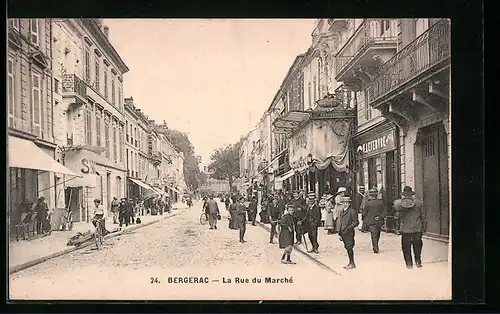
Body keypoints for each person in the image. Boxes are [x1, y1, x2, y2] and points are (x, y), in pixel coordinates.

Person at [393, 186, 427, 269]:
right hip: (417, 228)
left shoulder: (400, 204)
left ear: (404, 194)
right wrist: (424, 226)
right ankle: (418, 261)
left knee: (406, 247)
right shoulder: (419, 203)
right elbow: (423, 216)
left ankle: (409, 264)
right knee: (417, 246)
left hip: (405, 230)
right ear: (412, 194)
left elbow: (397, 216)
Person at [336, 196, 359, 270]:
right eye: (343, 203)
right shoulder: (342, 211)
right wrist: (340, 233)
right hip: (343, 233)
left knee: (349, 247)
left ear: (349, 204)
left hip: (349, 233)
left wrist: (349, 228)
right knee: (346, 247)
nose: (345, 204)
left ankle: (352, 263)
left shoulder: (352, 211)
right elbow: (341, 222)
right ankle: (350, 262)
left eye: (347, 203)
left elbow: (356, 222)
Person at [363, 188, 387, 253]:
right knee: (378, 233)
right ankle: (376, 246)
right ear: (376, 195)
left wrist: (365, 219)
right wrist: (380, 217)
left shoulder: (368, 203)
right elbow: (385, 212)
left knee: (373, 234)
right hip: (379, 221)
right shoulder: (380, 202)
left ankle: (375, 247)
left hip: (371, 221)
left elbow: (364, 213)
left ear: (370, 195)